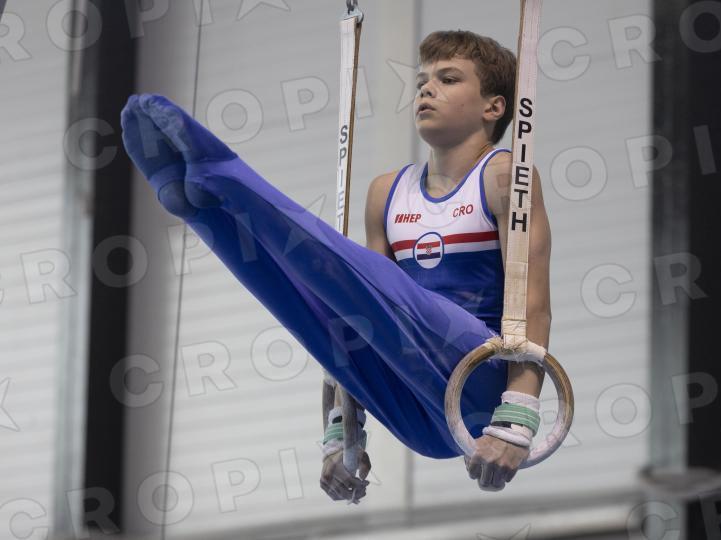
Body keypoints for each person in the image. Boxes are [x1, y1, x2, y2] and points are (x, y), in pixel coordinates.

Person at [120, 29, 551, 502]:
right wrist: (340, 431)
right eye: (422, 81)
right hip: (415, 410)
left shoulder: (504, 176)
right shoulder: (386, 192)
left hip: (478, 377)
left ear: (493, 107)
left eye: (448, 79)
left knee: (344, 271)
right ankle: (207, 212)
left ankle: (220, 173)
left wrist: (519, 415)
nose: (427, 89)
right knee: (316, 302)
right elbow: (360, 313)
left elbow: (533, 303)